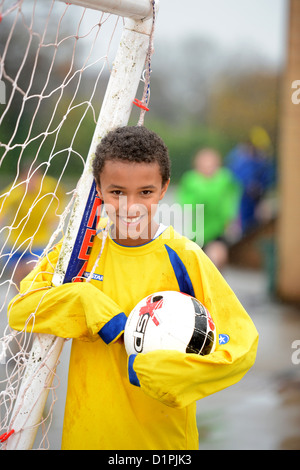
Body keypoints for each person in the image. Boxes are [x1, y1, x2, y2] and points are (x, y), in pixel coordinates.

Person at [7, 126, 258, 450]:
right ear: (98, 188)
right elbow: (21, 309)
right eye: (117, 192)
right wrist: (85, 301)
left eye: (146, 192)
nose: (130, 206)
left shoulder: (184, 256)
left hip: (162, 443)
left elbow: (241, 344)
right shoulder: (78, 254)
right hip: (86, 436)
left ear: (165, 188)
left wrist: (168, 371)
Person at [177, 148, 241, 270]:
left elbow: (231, 201)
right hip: (197, 233)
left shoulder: (224, 179)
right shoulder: (191, 180)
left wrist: (231, 219)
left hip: (218, 231)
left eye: (211, 164)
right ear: (197, 166)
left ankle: (215, 283)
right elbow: (186, 203)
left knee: (217, 257)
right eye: (204, 164)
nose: (208, 168)